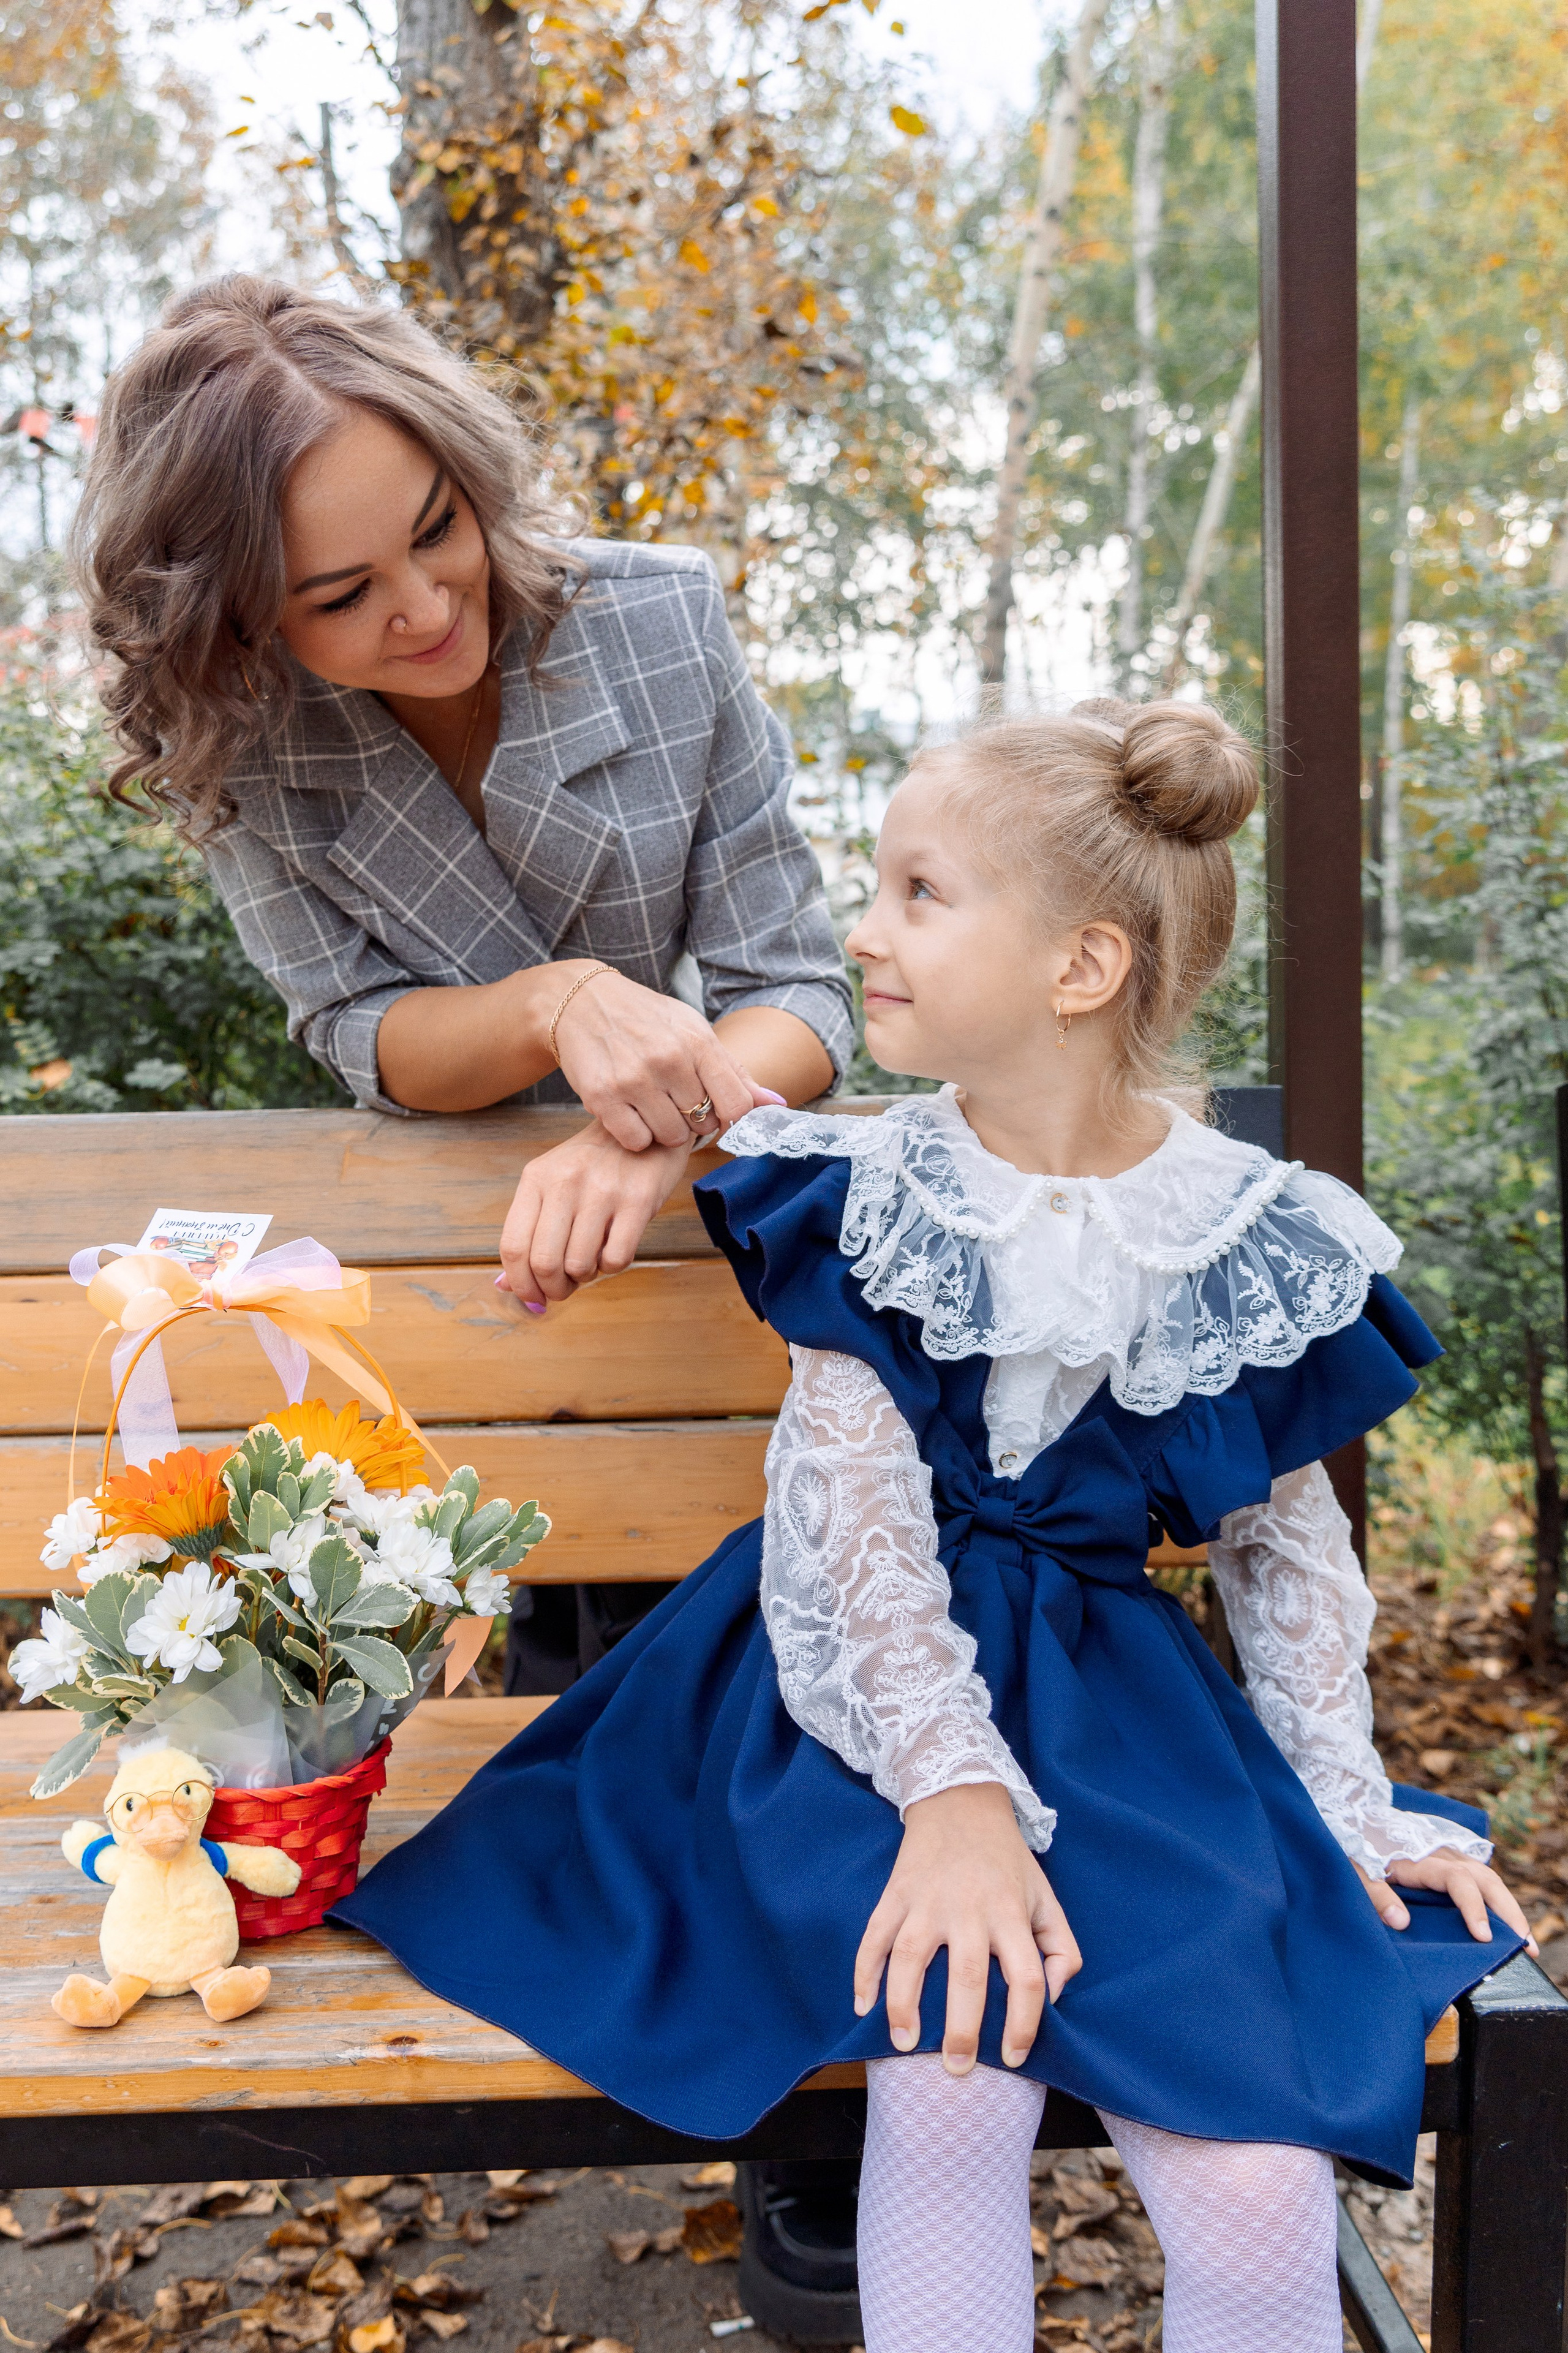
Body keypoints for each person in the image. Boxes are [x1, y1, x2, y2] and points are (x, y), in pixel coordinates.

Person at [336, 695, 1534, 2352]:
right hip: (839, 1705)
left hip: (1120, 1711)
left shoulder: (1248, 1234)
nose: (860, 933)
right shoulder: (868, 1194)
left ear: (1082, 967)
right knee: (950, 2050)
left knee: (1262, 2180)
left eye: (919, 892)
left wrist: (1342, 1801)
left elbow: (1280, 1550)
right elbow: (855, 1534)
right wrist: (956, 1801)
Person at [70, 274, 853, 1698]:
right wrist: (557, 1001)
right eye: (341, 595)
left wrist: (651, 1127)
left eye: (439, 530)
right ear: (239, 621)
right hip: (468, 1301)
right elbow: (359, 1032)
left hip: (714, 1278)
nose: (428, 607)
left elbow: (798, 989)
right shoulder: (240, 742)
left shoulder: (663, 623)